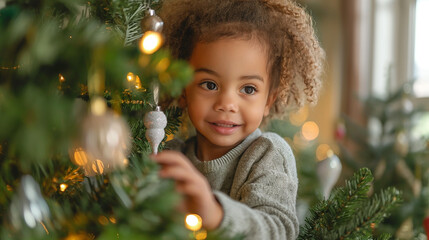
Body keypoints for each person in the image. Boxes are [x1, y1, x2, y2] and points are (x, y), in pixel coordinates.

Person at [152, 0, 324, 239]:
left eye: (249, 89)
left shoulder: (268, 154)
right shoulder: (172, 156)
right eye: (209, 84)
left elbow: (279, 230)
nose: (227, 104)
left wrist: (216, 214)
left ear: (268, 100)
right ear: (183, 90)